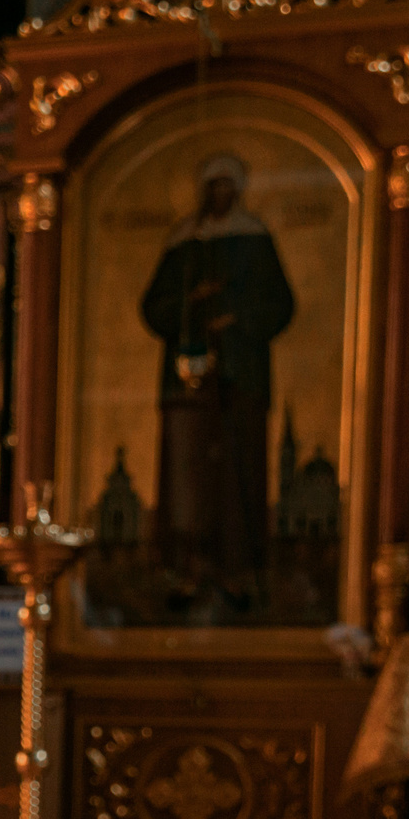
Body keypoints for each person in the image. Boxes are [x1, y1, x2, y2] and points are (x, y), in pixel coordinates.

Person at [140, 151, 296, 595]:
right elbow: (154, 307)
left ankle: (238, 572)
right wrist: (191, 301)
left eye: (228, 186)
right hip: (187, 383)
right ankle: (186, 570)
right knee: (187, 474)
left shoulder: (255, 237)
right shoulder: (182, 242)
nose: (221, 194)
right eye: (214, 186)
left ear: (238, 190)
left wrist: (237, 318)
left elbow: (279, 304)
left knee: (237, 472)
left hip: (240, 379)